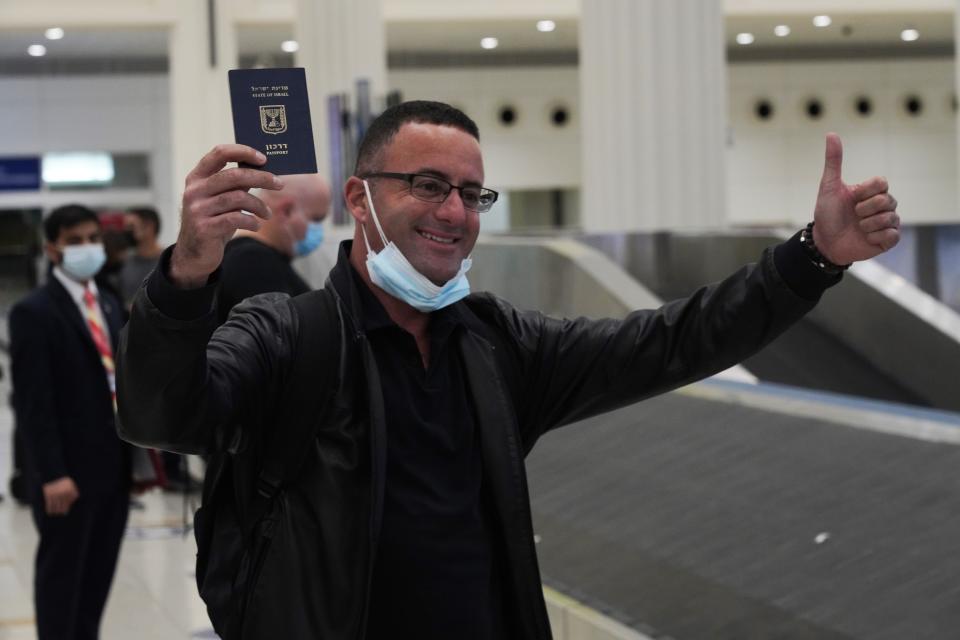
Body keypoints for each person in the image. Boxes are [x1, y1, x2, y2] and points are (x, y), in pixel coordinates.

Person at [116, 101, 900, 639]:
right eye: (427, 185)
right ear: (359, 198)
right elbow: (161, 417)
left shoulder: (498, 348)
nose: (454, 212)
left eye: (470, 192)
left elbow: (671, 342)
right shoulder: (289, 337)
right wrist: (188, 272)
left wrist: (812, 259)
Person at [9, 204, 131, 640]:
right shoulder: (34, 313)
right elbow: (32, 404)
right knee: (62, 586)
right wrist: (52, 473)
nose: (87, 248)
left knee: (96, 584)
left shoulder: (110, 302)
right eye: (75, 241)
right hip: (67, 478)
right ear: (53, 250)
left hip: (112, 469)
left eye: (93, 238)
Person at [216, 173, 331, 324]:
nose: (319, 230)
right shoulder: (253, 263)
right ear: (286, 210)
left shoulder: (260, 259)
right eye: (316, 219)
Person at [118, 206, 164, 307]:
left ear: (149, 227)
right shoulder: (124, 262)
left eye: (131, 226)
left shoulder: (168, 262)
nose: (127, 231)